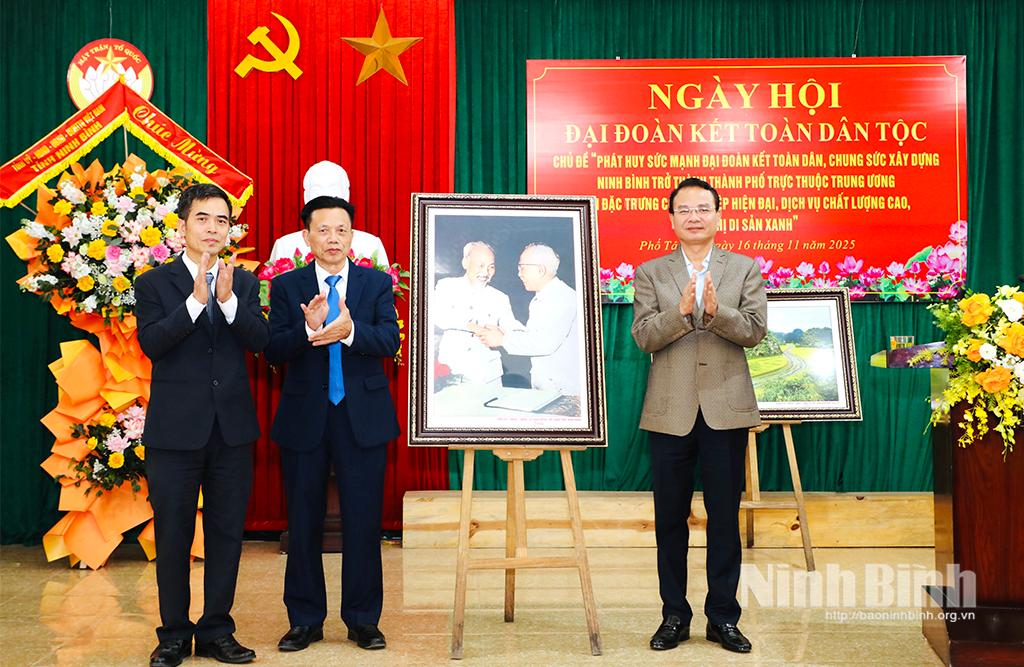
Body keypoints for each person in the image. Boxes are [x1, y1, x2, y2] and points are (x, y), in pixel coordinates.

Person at [631, 177, 767, 654]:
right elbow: (644, 336)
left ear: (718, 215)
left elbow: (754, 331)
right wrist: (680, 313)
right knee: (669, 518)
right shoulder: (650, 272)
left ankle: (723, 619)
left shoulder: (745, 268)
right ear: (671, 219)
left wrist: (716, 311)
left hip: (724, 410)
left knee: (724, 518)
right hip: (670, 413)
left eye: (703, 208)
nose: (694, 216)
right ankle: (674, 615)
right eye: (684, 209)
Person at [136, 183, 269, 667]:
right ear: (182, 226)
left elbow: (262, 342)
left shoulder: (246, 283)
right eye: (203, 219)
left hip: (231, 431)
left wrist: (230, 303)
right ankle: (173, 633)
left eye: (222, 221)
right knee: (172, 534)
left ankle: (217, 630)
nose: (213, 229)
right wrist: (194, 303)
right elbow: (152, 344)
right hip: (174, 434)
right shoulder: (154, 284)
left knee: (226, 534)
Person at [265, 195, 400, 653]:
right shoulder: (287, 287)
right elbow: (274, 349)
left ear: (352, 236)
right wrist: (309, 331)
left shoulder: (376, 284)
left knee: (364, 522)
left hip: (362, 417)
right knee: (303, 521)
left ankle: (363, 620)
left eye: (342, 230)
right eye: (323, 230)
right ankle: (304, 620)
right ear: (306, 236)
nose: (333, 238)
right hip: (306, 417)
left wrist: (350, 331)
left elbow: (388, 340)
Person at [476, 243, 580, 396]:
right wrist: (504, 331)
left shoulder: (561, 298)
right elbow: (535, 334)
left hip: (563, 390)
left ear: (540, 270)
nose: (519, 274)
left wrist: (502, 340)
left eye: (522, 268)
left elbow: (543, 343)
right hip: (549, 387)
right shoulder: (544, 297)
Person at [268, 160, 388, 265]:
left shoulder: (371, 244)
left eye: (333, 188)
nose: (325, 195)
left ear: (346, 193)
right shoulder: (285, 245)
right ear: (306, 196)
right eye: (317, 189)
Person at [433, 241, 516, 386]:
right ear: (465, 262)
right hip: (453, 373)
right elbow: (438, 317)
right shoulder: (446, 286)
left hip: (488, 376)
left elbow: (510, 327)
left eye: (491, 267)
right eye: (481, 265)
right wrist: (474, 327)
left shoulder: (500, 297)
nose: (486, 272)